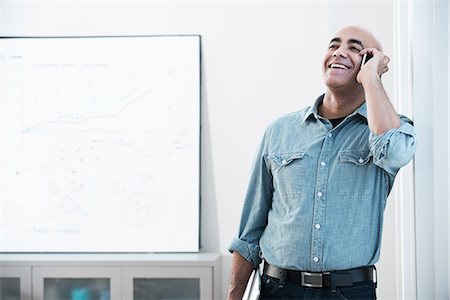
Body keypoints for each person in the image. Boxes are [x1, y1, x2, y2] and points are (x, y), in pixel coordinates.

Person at [226, 25, 416, 300]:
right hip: (277, 290)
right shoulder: (280, 131)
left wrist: (372, 78)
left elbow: (395, 152)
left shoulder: (391, 128)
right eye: (334, 45)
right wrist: (233, 295)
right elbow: (250, 230)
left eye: (354, 47)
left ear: (370, 61)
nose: (339, 52)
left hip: (350, 293)